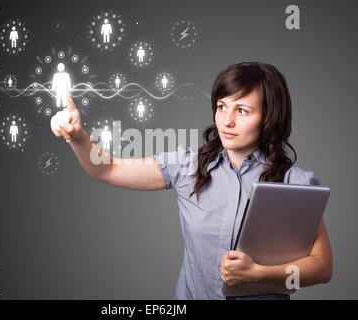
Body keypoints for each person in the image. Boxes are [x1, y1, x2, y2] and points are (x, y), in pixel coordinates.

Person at [50, 62, 332, 300]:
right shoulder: (187, 166)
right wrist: (78, 137)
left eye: (242, 110)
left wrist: (259, 274)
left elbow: (321, 267)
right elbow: (106, 169)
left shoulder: (295, 182)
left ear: (269, 117)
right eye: (222, 107)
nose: (227, 121)